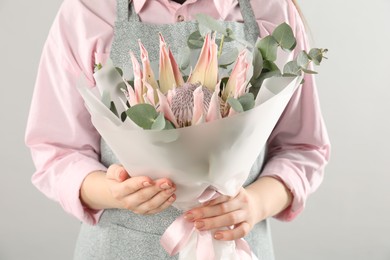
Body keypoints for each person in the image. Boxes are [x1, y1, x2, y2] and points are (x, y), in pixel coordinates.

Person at [25, 0, 330, 259]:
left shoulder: (272, 10)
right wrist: (114, 191)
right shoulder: (89, 10)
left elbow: (303, 148)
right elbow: (57, 150)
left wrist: (254, 203)